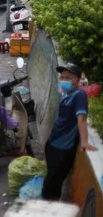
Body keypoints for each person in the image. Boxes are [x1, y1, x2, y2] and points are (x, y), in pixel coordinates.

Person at [42, 63, 97, 200]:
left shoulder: (79, 95)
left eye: (68, 78)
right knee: (52, 178)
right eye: (62, 78)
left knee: (51, 185)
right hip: (53, 143)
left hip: (63, 148)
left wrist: (84, 142)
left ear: (77, 80)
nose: (64, 81)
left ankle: (48, 208)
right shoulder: (67, 94)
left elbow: (82, 119)